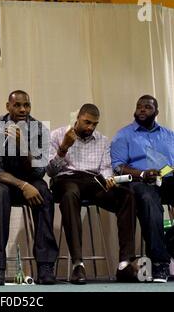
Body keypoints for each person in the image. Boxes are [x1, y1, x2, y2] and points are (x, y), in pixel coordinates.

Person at [110, 94, 174, 283]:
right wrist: (142, 174)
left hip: (168, 180)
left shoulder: (170, 135)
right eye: (139, 106)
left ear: (156, 112)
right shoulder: (124, 135)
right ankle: (159, 263)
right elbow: (118, 166)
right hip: (140, 182)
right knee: (150, 200)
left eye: (147, 107)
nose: (142, 109)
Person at [47, 103, 137, 285]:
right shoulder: (57, 135)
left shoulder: (102, 140)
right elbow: (50, 171)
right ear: (77, 118)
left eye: (94, 124)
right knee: (70, 194)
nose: (90, 127)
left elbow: (104, 168)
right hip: (66, 179)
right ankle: (78, 264)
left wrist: (108, 179)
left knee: (127, 196)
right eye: (87, 122)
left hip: (93, 181)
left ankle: (125, 263)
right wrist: (64, 147)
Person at [0, 90, 58, 285]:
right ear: (8, 106)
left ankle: (45, 266)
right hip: (1, 182)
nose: (23, 109)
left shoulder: (39, 129)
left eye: (26, 105)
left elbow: (39, 172)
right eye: (17, 105)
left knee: (44, 193)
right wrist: (22, 185)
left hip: (30, 179)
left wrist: (23, 147)